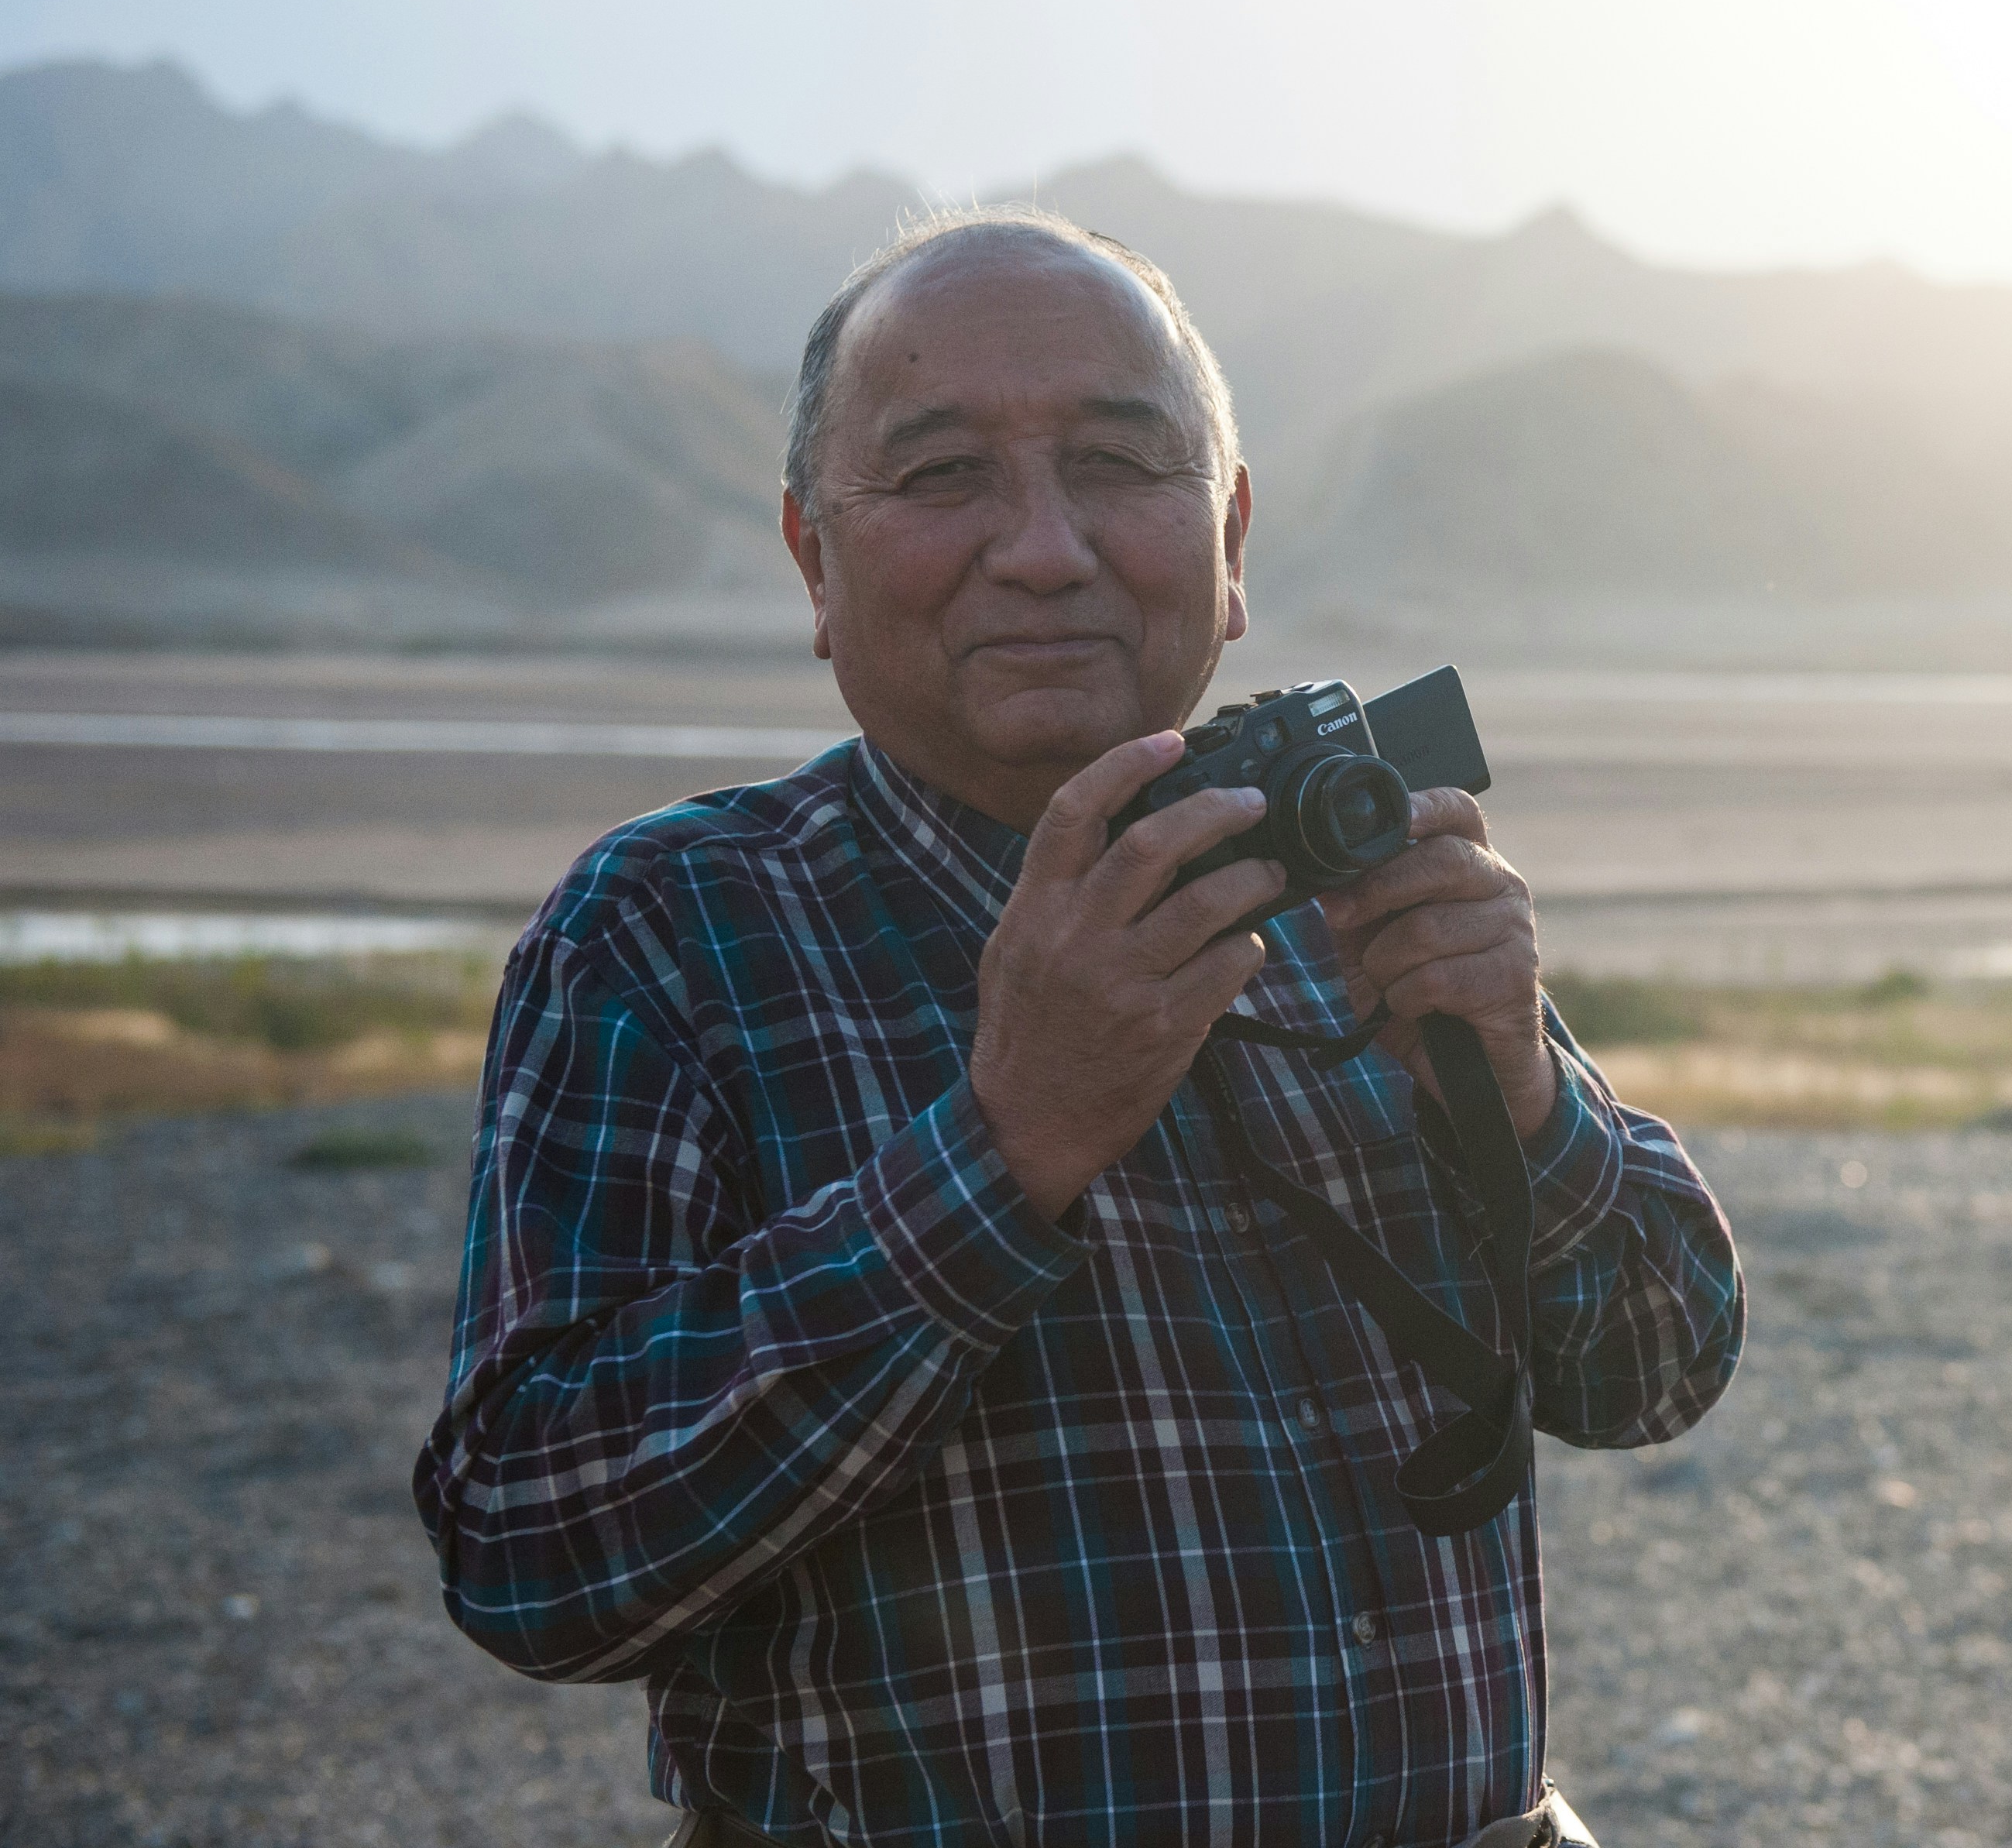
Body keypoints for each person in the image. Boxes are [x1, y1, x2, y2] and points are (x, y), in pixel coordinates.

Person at [414, 206, 1746, 1848]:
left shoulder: (1347, 877)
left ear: (1232, 537)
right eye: (939, 475)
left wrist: (1528, 1100)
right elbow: (531, 1555)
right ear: (812, 559)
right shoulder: (677, 934)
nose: (1043, 548)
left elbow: (1660, 1366)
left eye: (1122, 465)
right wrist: (1003, 1150)